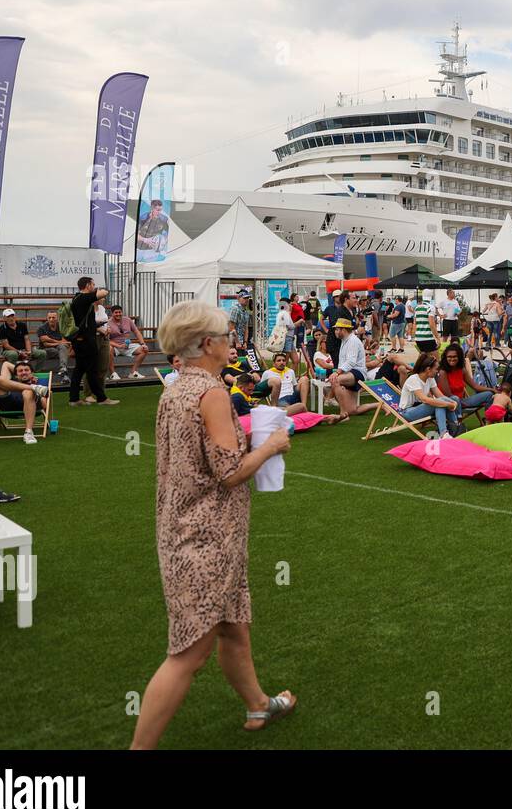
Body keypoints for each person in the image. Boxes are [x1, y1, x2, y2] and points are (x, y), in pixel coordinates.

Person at [131, 299, 294, 749]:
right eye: (226, 337)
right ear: (208, 344)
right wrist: (272, 445)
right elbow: (229, 471)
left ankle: (258, 702)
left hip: (181, 526)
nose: (232, 344)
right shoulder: (213, 393)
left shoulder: (175, 388)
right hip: (206, 536)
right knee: (189, 653)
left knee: (233, 624)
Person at [67, 277, 116, 407]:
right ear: (88, 285)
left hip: (79, 340)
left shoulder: (76, 298)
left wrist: (98, 326)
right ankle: (101, 398)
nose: (94, 287)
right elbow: (104, 293)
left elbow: (86, 322)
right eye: (93, 284)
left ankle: (74, 399)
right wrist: (99, 290)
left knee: (79, 369)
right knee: (92, 370)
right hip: (86, 341)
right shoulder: (84, 298)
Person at [0, 359, 48, 444]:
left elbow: (44, 402)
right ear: (16, 375)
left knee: (27, 392)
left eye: (26, 370)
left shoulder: (36, 382)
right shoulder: (12, 381)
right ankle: (32, 387)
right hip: (8, 402)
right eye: (20, 371)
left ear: (32, 373)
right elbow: (6, 364)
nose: (24, 372)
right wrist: (24, 372)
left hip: (28, 403)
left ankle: (28, 432)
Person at [436, 343, 494, 427]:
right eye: (449, 357)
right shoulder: (443, 372)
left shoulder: (461, 370)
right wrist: (460, 402)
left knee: (490, 394)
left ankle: (489, 421)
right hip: (449, 403)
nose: (452, 359)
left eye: (454, 356)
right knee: (455, 398)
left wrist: (492, 390)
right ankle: (457, 423)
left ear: (459, 357)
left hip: (463, 401)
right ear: (445, 358)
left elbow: (475, 386)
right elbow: (448, 395)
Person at [400, 354, 456, 437]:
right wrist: (449, 404)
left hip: (420, 408)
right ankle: (450, 430)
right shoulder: (413, 379)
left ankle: (450, 430)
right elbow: (424, 399)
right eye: (436, 369)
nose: (437, 371)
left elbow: (440, 396)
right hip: (407, 412)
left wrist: (452, 402)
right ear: (428, 369)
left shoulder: (430, 378)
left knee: (440, 403)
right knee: (439, 403)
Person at [330, 319, 375, 421]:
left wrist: (337, 373)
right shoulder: (345, 340)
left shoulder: (353, 341)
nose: (335, 332)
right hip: (351, 373)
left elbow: (351, 361)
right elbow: (345, 362)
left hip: (357, 373)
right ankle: (380, 405)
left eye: (337, 329)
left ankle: (343, 414)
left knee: (335, 380)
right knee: (352, 410)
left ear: (344, 330)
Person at [105, 305, 149, 380]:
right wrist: (118, 346)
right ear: (112, 313)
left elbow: (136, 332)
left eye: (120, 312)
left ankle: (133, 372)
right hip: (115, 346)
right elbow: (106, 340)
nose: (118, 314)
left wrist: (143, 343)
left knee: (144, 349)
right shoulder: (108, 323)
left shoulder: (128, 320)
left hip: (127, 345)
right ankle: (113, 373)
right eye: (116, 312)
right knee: (108, 348)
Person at [35, 310, 71, 386]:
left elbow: (65, 341)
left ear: (57, 318)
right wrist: (59, 342)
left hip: (60, 349)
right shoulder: (42, 328)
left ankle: (63, 370)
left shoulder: (61, 326)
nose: (51, 319)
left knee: (62, 347)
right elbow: (45, 343)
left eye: (53, 317)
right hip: (46, 350)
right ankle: (64, 371)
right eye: (50, 317)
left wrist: (54, 342)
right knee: (62, 350)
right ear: (47, 318)